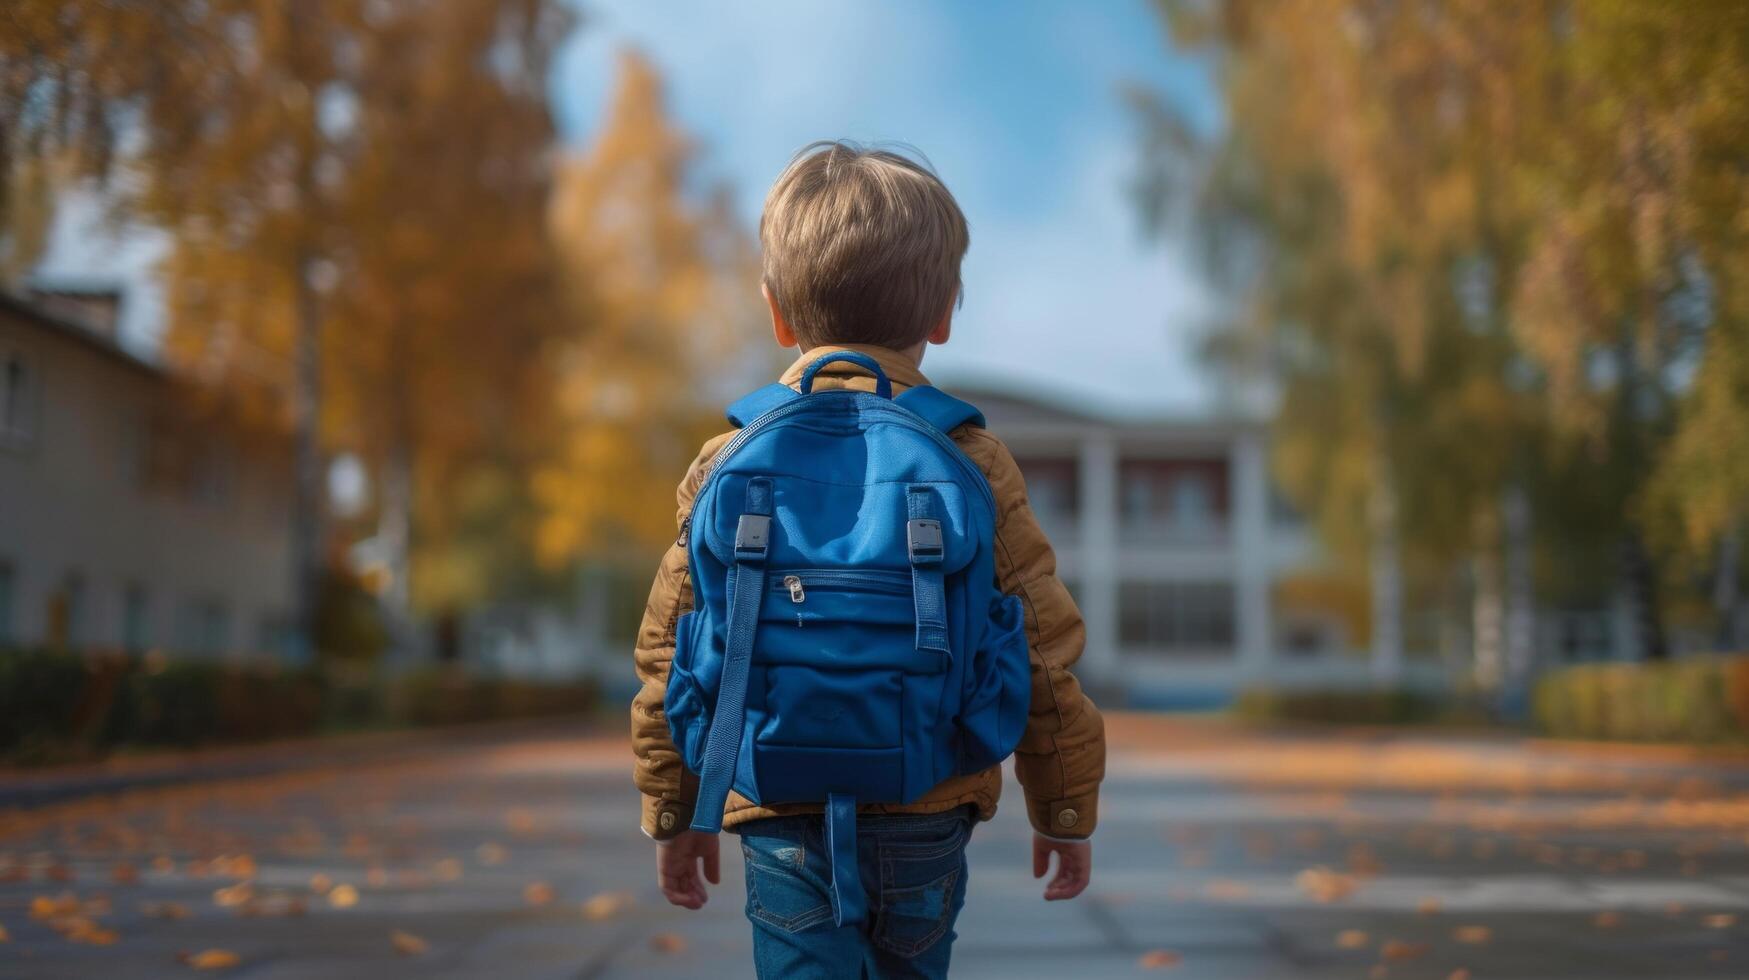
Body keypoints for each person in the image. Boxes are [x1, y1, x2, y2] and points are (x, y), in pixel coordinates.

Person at [631, 140, 1106, 979]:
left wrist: (675, 810)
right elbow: (1038, 642)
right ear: (942, 316)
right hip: (927, 797)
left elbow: (668, 647)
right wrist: (1062, 806)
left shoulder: (724, 458)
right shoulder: (971, 456)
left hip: (774, 800)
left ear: (777, 313)